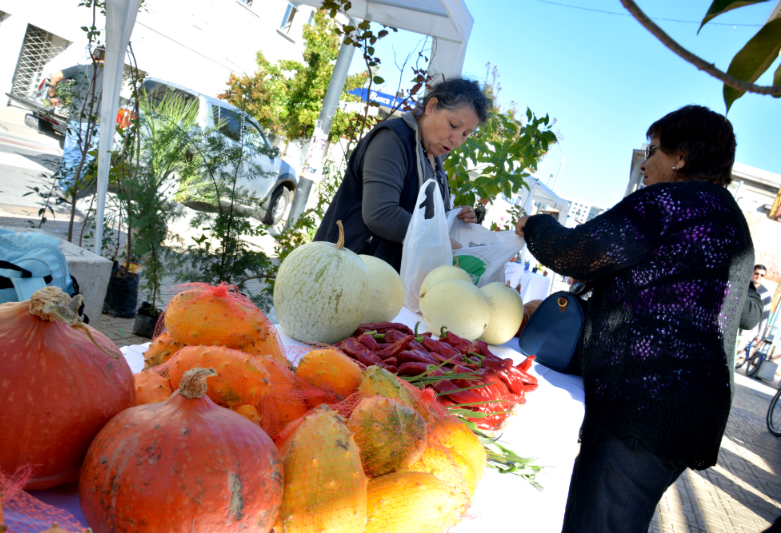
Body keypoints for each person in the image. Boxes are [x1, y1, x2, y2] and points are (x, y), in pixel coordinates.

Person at [515, 105, 755, 533]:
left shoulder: (666, 202)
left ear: (680, 156)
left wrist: (533, 225)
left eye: (654, 149)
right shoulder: (731, 221)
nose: (645, 162)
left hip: (646, 406)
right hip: (691, 410)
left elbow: (574, 253)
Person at [313, 77, 489, 271]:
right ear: (431, 106)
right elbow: (381, 213)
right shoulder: (392, 139)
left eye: (465, 134)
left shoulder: (434, 157)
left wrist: (453, 217)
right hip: (348, 272)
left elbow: (421, 215)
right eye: (453, 125)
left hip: (383, 280)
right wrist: (442, 241)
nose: (456, 139)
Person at [47, 46, 105, 198]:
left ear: (93, 56)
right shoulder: (112, 76)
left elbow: (54, 76)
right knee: (88, 157)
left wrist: (53, 96)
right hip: (97, 122)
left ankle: (64, 188)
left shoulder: (81, 69)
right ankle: (70, 188)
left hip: (77, 118)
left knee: (72, 154)